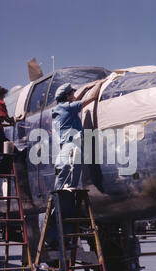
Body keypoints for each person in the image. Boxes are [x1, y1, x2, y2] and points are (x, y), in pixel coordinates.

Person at [46, 80, 104, 249]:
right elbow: (90, 99)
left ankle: (60, 237)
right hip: (73, 149)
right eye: (72, 92)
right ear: (67, 96)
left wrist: (86, 86)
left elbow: (77, 97)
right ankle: (57, 236)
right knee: (67, 192)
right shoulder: (67, 107)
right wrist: (99, 85)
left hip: (66, 151)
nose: (74, 94)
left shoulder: (61, 108)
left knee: (65, 193)